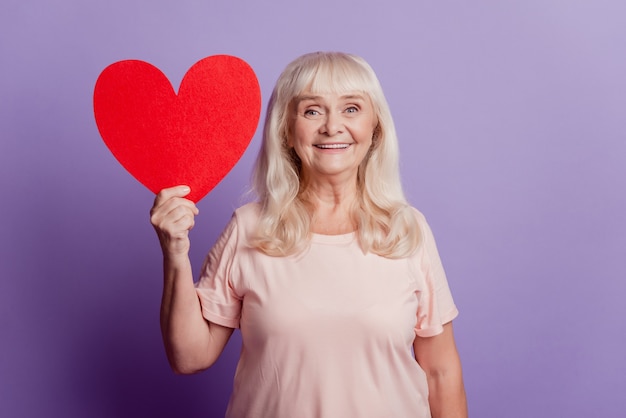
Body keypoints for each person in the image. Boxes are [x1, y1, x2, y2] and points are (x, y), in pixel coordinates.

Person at [150, 51, 467, 418]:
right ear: (286, 129)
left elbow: (441, 373)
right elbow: (189, 357)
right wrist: (174, 253)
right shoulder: (249, 228)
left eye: (351, 109)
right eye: (312, 110)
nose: (332, 127)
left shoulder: (408, 229)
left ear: (376, 127)